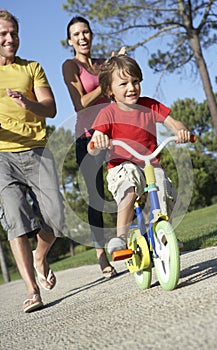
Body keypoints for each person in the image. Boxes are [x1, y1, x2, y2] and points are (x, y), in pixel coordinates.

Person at [87, 55, 190, 254]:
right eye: (123, 83)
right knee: (130, 183)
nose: (131, 87)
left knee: (164, 188)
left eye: (135, 82)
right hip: (121, 167)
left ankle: (162, 232)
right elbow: (92, 146)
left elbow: (173, 122)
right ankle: (121, 237)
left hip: (150, 165)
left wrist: (180, 131)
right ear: (110, 90)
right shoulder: (107, 113)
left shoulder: (149, 105)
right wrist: (98, 143)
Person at [0, 10, 64, 312]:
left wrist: (28, 103)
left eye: (13, 32)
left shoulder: (32, 68)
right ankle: (32, 290)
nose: (10, 38)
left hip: (36, 150)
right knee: (15, 218)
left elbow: (50, 108)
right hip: (2, 157)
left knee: (56, 217)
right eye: (3, 34)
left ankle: (40, 256)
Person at [62, 16, 125, 278]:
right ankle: (102, 256)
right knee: (96, 197)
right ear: (70, 41)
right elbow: (81, 104)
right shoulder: (70, 65)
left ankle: (136, 238)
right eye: (76, 34)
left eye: (85, 32)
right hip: (87, 138)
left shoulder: (101, 64)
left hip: (111, 132)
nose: (82, 37)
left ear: (91, 34)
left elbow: (115, 93)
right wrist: (104, 76)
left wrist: (117, 70)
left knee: (129, 182)